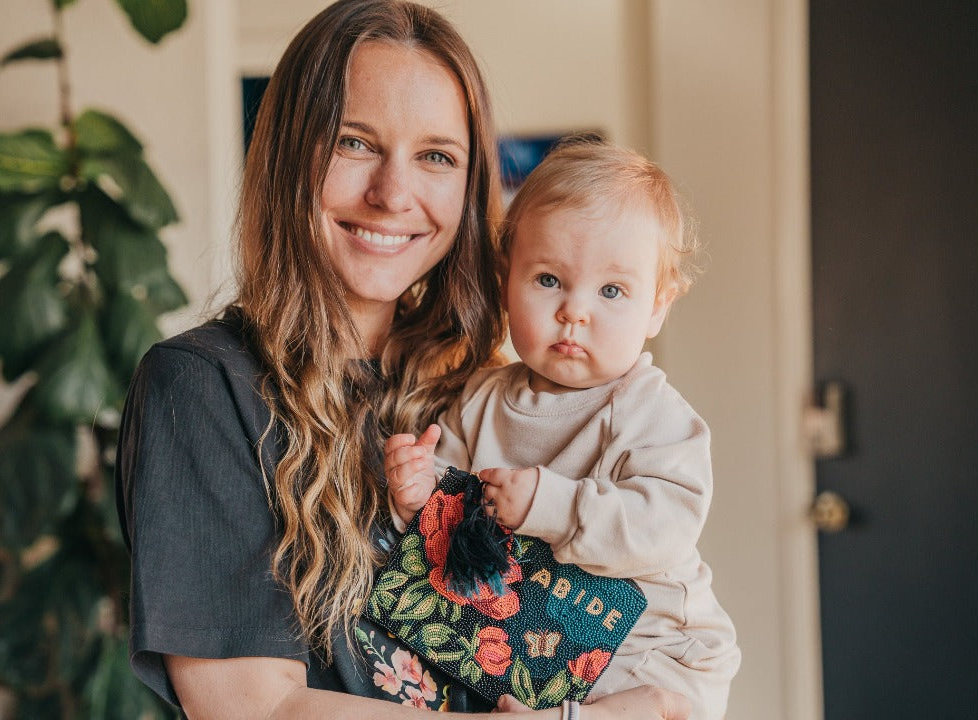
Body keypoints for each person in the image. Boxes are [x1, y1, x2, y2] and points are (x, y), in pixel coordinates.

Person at [116, 0, 691, 718]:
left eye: (436, 156)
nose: (393, 194)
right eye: (355, 143)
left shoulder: (484, 378)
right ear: (289, 153)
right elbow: (252, 709)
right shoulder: (205, 387)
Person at [385, 139, 740, 720]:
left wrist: (551, 506)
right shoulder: (478, 399)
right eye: (548, 279)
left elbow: (663, 528)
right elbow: (443, 510)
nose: (575, 310)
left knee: (655, 707)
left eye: (611, 291)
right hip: (542, 647)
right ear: (506, 281)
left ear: (657, 306)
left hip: (653, 647)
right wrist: (416, 488)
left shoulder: (655, 415)